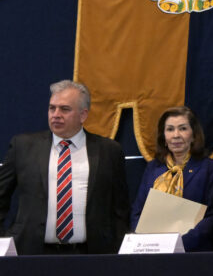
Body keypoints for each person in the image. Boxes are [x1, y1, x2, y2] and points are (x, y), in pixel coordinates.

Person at [0, 80, 129, 254]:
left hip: (91, 256)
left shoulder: (109, 151)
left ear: (83, 115)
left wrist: (117, 248)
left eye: (65, 109)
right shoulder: (23, 146)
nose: (56, 114)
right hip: (31, 254)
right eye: (52, 108)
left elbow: (120, 209)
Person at [129, 106, 213, 251]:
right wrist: (148, 241)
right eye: (170, 129)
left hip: (194, 251)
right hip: (154, 251)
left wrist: (181, 243)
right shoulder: (153, 168)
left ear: (193, 135)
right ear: (164, 137)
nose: (176, 135)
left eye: (183, 128)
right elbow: (137, 212)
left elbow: (212, 215)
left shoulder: (208, 168)